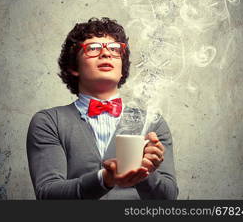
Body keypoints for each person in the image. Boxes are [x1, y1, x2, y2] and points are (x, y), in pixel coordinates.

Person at [26, 17, 179, 199]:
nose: (106, 54)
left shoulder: (153, 123)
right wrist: (104, 179)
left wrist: (146, 172)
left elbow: (168, 198)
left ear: (122, 68)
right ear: (74, 67)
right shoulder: (49, 122)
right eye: (93, 48)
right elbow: (48, 194)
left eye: (114, 49)